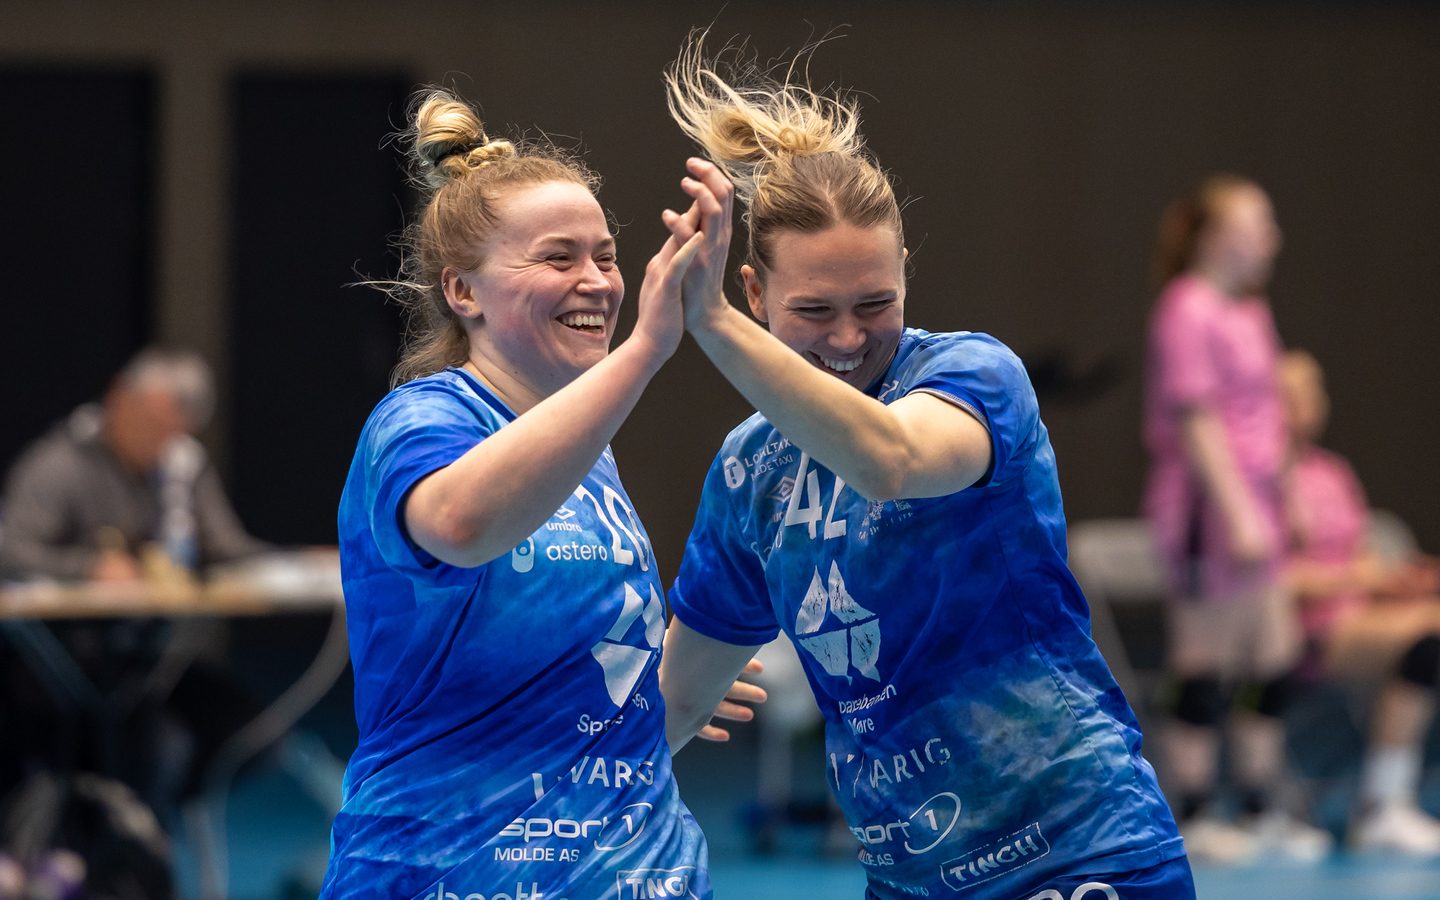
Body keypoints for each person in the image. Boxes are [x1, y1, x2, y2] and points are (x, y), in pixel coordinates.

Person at [655, 37, 1192, 900]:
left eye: (875, 303)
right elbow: (678, 702)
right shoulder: (751, 472)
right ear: (756, 292)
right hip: (911, 879)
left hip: (1080, 851)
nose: (847, 338)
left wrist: (711, 325)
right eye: (812, 310)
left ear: (906, 274)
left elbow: (889, 459)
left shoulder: (974, 377)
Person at [320, 87, 755, 899]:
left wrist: (672, 686)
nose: (597, 282)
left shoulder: (589, 448)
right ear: (464, 292)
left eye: (606, 257)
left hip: (639, 872)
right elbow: (462, 524)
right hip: (448, 871)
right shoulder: (421, 421)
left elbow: (574, 706)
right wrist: (648, 349)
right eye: (559, 259)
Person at [1141, 175, 1333, 863]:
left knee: (1272, 659)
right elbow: (1198, 421)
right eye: (1260, 225)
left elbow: (1268, 414)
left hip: (1258, 505)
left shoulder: (1250, 310)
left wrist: (1289, 495)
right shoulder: (1186, 309)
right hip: (1210, 510)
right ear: (1218, 237)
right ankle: (1193, 812)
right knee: (1204, 660)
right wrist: (1240, 513)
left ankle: (1257, 807)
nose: (1272, 239)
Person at [1279, 349, 1440, 854]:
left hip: (1361, 617)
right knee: (1426, 638)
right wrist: (1357, 577)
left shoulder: (1332, 472)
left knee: (1426, 639)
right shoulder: (1257, 481)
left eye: (1314, 392)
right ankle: (1380, 807)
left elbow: (1364, 554)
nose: (1307, 405)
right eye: (1291, 395)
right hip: (1299, 635)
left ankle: (1386, 798)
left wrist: (1398, 581)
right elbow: (1271, 580)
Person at [0, 347, 270, 582]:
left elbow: (226, 546)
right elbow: (10, 550)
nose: (160, 441)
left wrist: (284, 562)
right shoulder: (60, 463)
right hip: (77, 621)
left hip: (163, 619)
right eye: (152, 424)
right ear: (119, 396)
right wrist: (88, 568)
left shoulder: (182, 462)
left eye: (173, 431)